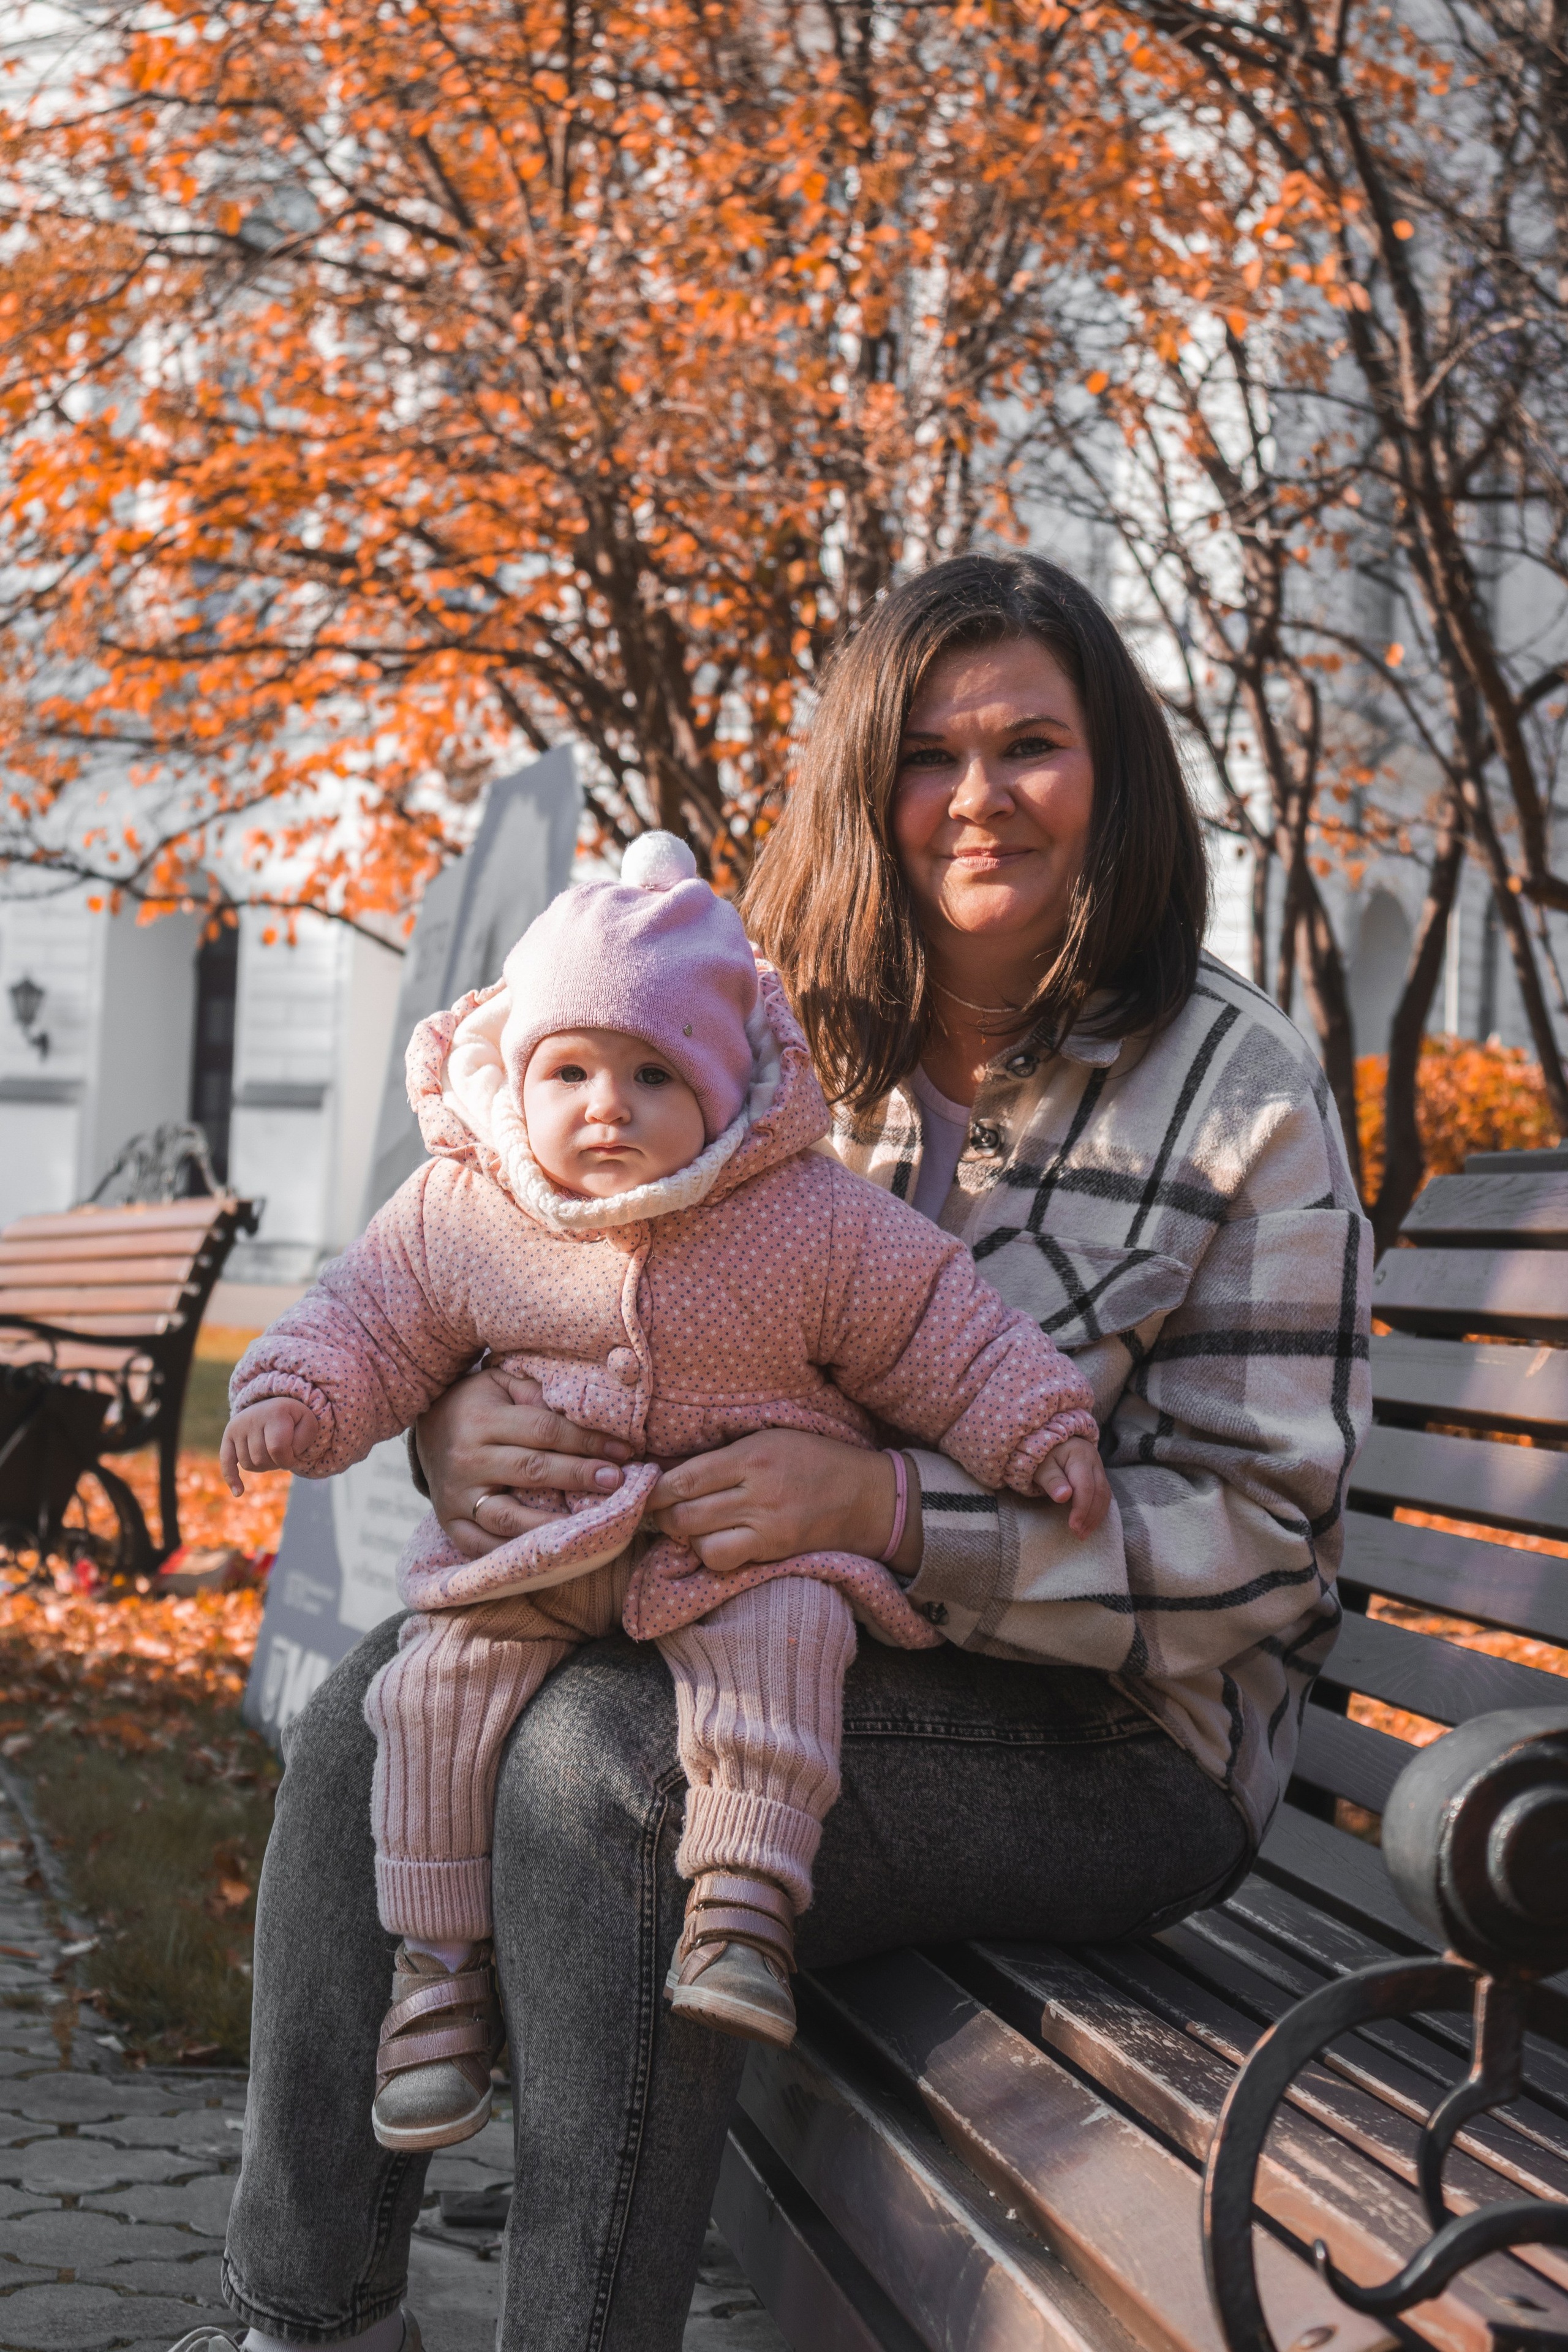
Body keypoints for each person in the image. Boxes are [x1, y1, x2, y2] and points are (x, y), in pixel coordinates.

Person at [176, 550, 1371, 2352]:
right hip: (738, 1625)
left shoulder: (1239, 1095)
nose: (978, 796)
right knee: (371, 1715)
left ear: (1111, 773)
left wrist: (891, 1511)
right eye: (927, 754)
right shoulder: (754, 1040)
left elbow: (1264, 1547)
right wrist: (447, 1427)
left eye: (1030, 745)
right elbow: (504, 1255)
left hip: (1124, 1743)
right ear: (864, 790)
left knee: (604, 1776)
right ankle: (307, 2321)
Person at [218, 828, 1105, 2141]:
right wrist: (295, 1393)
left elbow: (939, 1326)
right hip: (540, 1550)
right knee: (429, 1691)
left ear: (723, 1089)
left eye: (652, 1074)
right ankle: (438, 1971)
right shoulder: (467, 1209)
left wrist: (1035, 1425)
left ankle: (744, 1901)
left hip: (733, 1548)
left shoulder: (805, 1217)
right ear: (520, 1079)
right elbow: (368, 1315)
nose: (606, 1108)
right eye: (569, 1072)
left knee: (789, 1639)